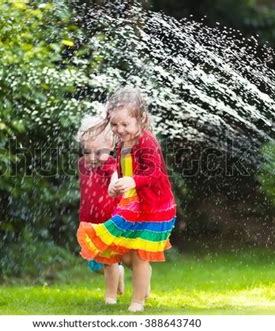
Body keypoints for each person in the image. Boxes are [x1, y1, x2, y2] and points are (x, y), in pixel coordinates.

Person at [77, 87, 177, 312]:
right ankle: (140, 293)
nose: (119, 129)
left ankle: (137, 302)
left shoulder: (146, 142)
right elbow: (123, 172)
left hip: (156, 208)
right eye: (114, 125)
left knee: (140, 256)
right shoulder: (123, 144)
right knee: (128, 253)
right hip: (136, 205)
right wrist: (117, 186)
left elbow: (154, 173)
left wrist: (133, 182)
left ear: (140, 119)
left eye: (124, 124)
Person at [76, 114, 125, 304]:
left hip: (108, 222)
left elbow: (114, 176)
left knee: (109, 260)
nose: (93, 158)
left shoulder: (109, 165)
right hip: (89, 223)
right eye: (87, 152)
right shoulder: (83, 165)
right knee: (94, 264)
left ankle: (110, 297)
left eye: (98, 152)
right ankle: (118, 272)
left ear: (111, 147)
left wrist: (114, 184)